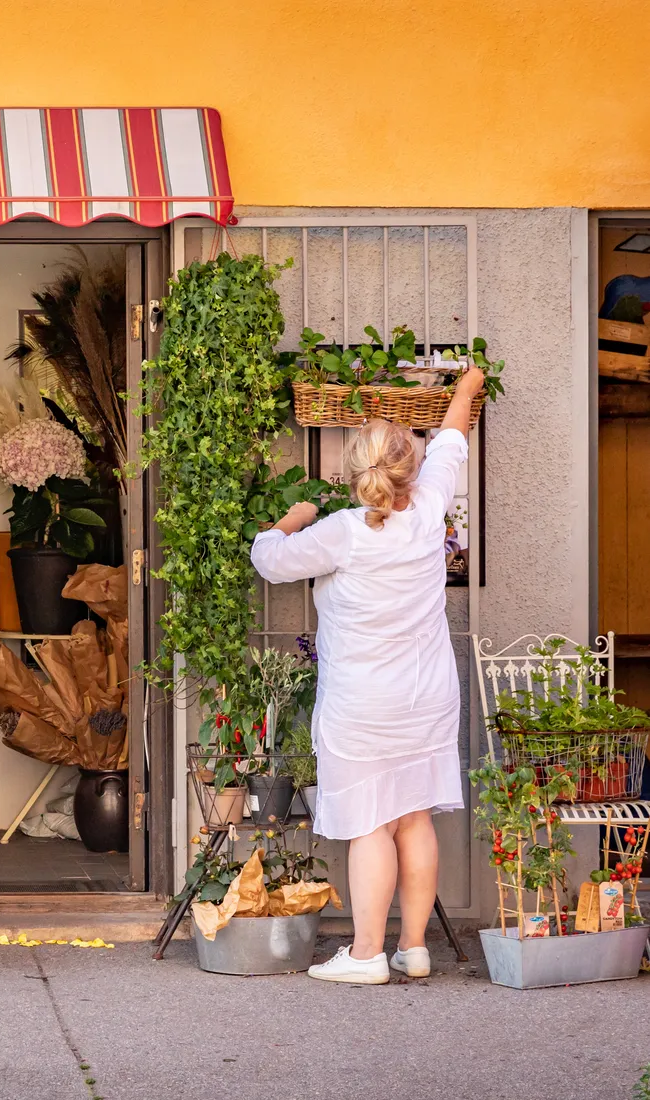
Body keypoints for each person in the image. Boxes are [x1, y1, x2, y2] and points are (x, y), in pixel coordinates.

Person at [250, 365, 486, 985]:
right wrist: (465, 389)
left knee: (372, 824)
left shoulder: (342, 533)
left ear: (357, 475)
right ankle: (414, 948)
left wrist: (290, 518)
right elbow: (453, 442)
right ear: (410, 470)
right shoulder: (432, 507)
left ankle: (365, 955)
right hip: (428, 696)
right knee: (415, 818)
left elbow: (268, 561)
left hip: (362, 705)